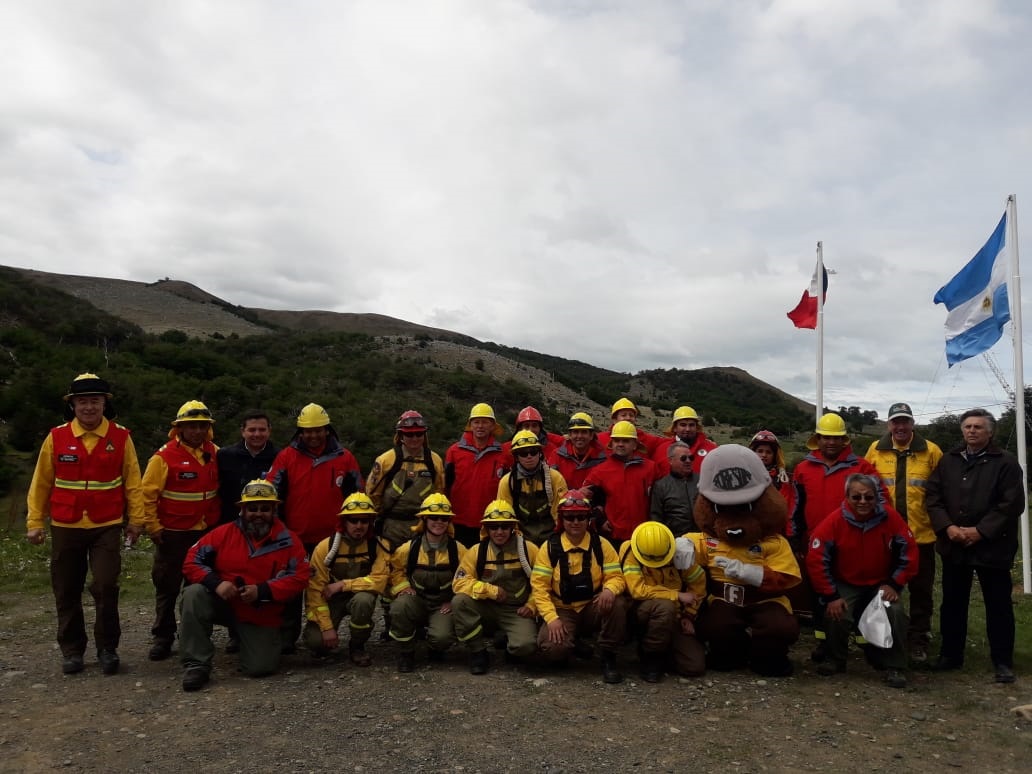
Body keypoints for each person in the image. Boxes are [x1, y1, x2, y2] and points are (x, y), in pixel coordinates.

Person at [25, 372, 146, 675]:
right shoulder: (56, 437)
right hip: (66, 524)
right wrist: (34, 521)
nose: (89, 408)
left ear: (105, 404)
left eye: (94, 401)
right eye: (82, 402)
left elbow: (133, 482)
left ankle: (107, 648)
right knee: (66, 588)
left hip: (107, 523)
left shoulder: (121, 437)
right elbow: (41, 483)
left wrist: (137, 520)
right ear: (73, 405)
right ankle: (72, 650)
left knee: (105, 585)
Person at [180, 480, 310, 690]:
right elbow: (191, 561)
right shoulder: (222, 534)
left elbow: (301, 577)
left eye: (265, 508)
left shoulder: (289, 541)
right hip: (224, 602)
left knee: (260, 668)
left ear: (274, 509)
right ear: (242, 510)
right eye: (252, 508)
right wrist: (217, 583)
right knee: (193, 594)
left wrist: (263, 590)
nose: (258, 514)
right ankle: (196, 664)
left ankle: (246, 639)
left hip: (260, 612)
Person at [925, 408, 1024, 683]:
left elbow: (1011, 503)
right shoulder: (948, 461)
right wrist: (948, 527)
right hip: (955, 544)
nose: (971, 431)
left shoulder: (1005, 462)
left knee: (998, 605)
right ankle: (950, 655)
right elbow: (933, 497)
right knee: (953, 603)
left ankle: (1002, 661)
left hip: (993, 547)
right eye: (967, 426)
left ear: (990, 432)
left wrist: (981, 531)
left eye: (978, 427)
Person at [690, 445, 801, 677]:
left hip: (765, 599)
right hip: (725, 597)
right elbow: (693, 547)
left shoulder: (773, 542)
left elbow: (788, 576)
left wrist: (753, 573)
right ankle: (730, 656)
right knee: (717, 626)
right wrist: (681, 548)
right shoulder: (708, 540)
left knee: (779, 627)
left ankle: (768, 659)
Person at [806, 473, 918, 689]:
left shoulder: (891, 518)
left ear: (877, 498)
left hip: (880, 583)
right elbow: (817, 561)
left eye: (869, 497)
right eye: (856, 497)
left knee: (894, 611)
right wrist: (831, 595)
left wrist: (894, 584)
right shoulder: (833, 522)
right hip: (846, 582)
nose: (863, 502)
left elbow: (910, 553)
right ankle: (835, 659)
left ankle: (894, 665)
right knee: (836, 612)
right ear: (847, 497)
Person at [266, 402, 363, 651]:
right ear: (300, 432)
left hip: (332, 538)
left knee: (327, 586)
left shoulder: (344, 457)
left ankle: (324, 632)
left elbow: (358, 496)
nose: (313, 435)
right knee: (290, 588)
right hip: (294, 536)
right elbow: (271, 492)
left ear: (327, 430)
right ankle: (286, 639)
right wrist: (276, 529)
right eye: (307, 431)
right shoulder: (287, 456)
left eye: (318, 429)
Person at [788, 412, 885, 660]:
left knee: (855, 593)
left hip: (851, 543)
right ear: (817, 439)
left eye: (836, 438)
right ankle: (825, 642)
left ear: (845, 440)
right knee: (819, 594)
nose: (830, 442)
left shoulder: (862, 467)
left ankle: (865, 642)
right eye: (825, 437)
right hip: (814, 542)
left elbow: (881, 500)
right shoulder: (802, 468)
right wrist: (796, 537)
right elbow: (796, 506)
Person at [141, 400, 221, 662]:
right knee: (167, 586)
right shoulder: (162, 458)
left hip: (206, 533)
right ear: (179, 429)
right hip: (173, 534)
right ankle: (163, 637)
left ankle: (195, 636)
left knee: (199, 588)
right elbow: (147, 496)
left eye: (202, 426)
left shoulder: (216, 453)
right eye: (191, 426)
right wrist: (152, 527)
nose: (197, 431)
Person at [864, 402, 943, 665]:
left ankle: (918, 639)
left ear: (912, 424)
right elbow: (863, 486)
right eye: (895, 422)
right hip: (885, 538)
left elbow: (944, 490)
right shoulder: (875, 450)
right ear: (889, 425)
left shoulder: (931, 451)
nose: (900, 427)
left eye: (905, 421)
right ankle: (882, 638)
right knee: (883, 590)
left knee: (921, 592)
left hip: (921, 537)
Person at [530, 489, 628, 684]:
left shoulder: (601, 545)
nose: (575, 522)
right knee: (553, 650)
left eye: (581, 517)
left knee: (617, 603)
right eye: (570, 517)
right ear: (562, 519)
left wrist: (609, 590)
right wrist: (551, 619)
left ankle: (608, 656)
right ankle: (570, 646)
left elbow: (616, 576)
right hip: (563, 609)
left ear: (588, 519)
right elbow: (539, 588)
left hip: (593, 605)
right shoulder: (549, 548)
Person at [451, 500, 540, 674]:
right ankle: (478, 651)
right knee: (459, 602)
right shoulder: (477, 551)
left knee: (526, 646)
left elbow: (542, 583)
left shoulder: (529, 550)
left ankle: (509, 643)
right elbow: (459, 582)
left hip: (516, 611)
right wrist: (490, 591)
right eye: (494, 527)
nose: (499, 532)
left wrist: (532, 605)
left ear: (513, 528)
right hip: (487, 607)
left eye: (504, 527)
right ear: (487, 529)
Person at [303, 493, 390, 665]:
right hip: (331, 600)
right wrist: (327, 628)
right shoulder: (325, 547)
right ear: (344, 522)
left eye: (364, 521)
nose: (359, 526)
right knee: (315, 642)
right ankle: (326, 642)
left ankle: (357, 646)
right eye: (353, 520)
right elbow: (314, 590)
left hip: (358, 597)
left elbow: (379, 580)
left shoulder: (379, 546)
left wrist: (343, 585)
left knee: (364, 600)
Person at [388, 493, 468, 672]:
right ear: (424, 519)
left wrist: (454, 600)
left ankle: (435, 647)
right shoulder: (409, 548)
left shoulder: (459, 550)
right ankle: (406, 652)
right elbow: (394, 570)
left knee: (442, 638)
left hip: (442, 605)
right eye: (434, 517)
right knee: (400, 607)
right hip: (416, 600)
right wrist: (403, 587)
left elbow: (469, 578)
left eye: (444, 518)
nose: (439, 522)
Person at [619, 521, 706, 682]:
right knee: (664, 607)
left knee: (694, 666)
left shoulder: (680, 553)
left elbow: (699, 583)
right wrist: (676, 595)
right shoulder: (629, 550)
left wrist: (689, 615)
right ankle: (651, 657)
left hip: (674, 615)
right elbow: (637, 591)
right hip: (641, 611)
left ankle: (664, 650)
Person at [365, 410, 445, 551]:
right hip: (391, 526)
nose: (414, 438)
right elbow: (372, 494)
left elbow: (440, 492)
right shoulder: (386, 460)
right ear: (400, 435)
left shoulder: (434, 461)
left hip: (422, 525)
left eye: (419, 434)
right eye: (409, 434)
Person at [583, 420, 658, 548]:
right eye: (617, 441)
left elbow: (659, 501)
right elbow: (583, 499)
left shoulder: (651, 468)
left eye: (626, 441)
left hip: (645, 535)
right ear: (611, 443)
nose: (620, 444)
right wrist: (599, 519)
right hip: (612, 537)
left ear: (635, 444)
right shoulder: (599, 471)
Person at [445, 402, 509, 546]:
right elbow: (445, 485)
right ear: (470, 425)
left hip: (490, 523)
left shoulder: (503, 454)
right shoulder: (454, 451)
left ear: (492, 426)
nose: (480, 426)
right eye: (476, 422)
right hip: (457, 521)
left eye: (485, 422)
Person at [496, 429, 569, 544]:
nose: (529, 456)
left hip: (551, 537)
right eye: (523, 453)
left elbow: (560, 513)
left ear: (540, 453)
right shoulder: (508, 482)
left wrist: (559, 540)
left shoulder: (554, 478)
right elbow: (505, 516)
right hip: (520, 538)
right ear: (516, 457)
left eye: (533, 452)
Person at [216, 411, 280, 526]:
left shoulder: (280, 457)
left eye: (262, 430)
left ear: (269, 431)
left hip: (266, 523)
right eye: (252, 430)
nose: (257, 434)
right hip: (230, 522)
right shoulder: (224, 455)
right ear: (243, 431)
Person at [649, 441, 700, 535]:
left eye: (691, 458)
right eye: (683, 458)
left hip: (702, 538)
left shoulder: (701, 481)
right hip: (676, 539)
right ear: (670, 460)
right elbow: (656, 518)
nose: (688, 461)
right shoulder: (661, 486)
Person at [547, 412, 607, 489]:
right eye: (575, 432)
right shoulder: (557, 456)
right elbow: (549, 482)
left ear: (591, 435)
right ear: (570, 435)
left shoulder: (602, 459)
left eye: (584, 432)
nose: (579, 436)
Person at [652, 406, 718, 477]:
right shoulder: (661, 450)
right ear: (674, 428)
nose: (687, 429)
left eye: (691, 425)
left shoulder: (711, 449)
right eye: (683, 425)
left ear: (697, 427)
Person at [596, 397, 664, 456]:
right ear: (614, 420)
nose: (628, 418)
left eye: (631, 415)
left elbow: (668, 443)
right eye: (623, 415)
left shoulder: (646, 439)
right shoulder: (599, 439)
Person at [749, 430, 793, 508]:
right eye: (760, 451)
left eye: (768, 452)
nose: (764, 455)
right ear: (752, 452)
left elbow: (785, 505)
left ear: (775, 456)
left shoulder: (781, 479)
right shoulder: (744, 475)